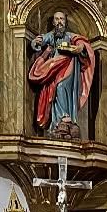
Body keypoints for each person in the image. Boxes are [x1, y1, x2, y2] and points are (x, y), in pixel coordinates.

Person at [28, 10, 95, 138]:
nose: (59, 22)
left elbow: (82, 43)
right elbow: (40, 40)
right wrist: (35, 42)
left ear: (65, 22)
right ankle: (58, 122)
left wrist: (80, 47)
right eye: (57, 19)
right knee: (57, 90)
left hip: (69, 67)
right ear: (53, 22)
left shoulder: (70, 36)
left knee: (65, 89)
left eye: (62, 19)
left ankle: (68, 118)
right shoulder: (51, 36)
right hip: (54, 68)